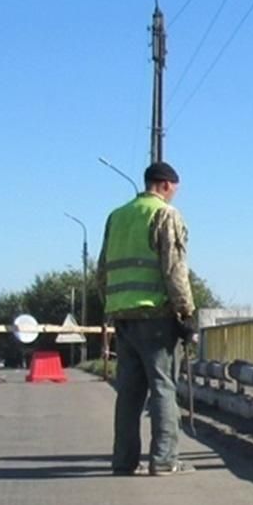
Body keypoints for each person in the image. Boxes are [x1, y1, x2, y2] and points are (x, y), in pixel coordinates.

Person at [100, 161, 197, 476]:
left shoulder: (117, 216)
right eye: (175, 190)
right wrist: (185, 311)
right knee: (163, 386)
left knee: (128, 392)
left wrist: (113, 304)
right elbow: (174, 268)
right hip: (156, 314)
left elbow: (102, 271)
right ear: (166, 185)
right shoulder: (165, 215)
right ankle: (165, 458)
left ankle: (124, 460)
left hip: (123, 314)